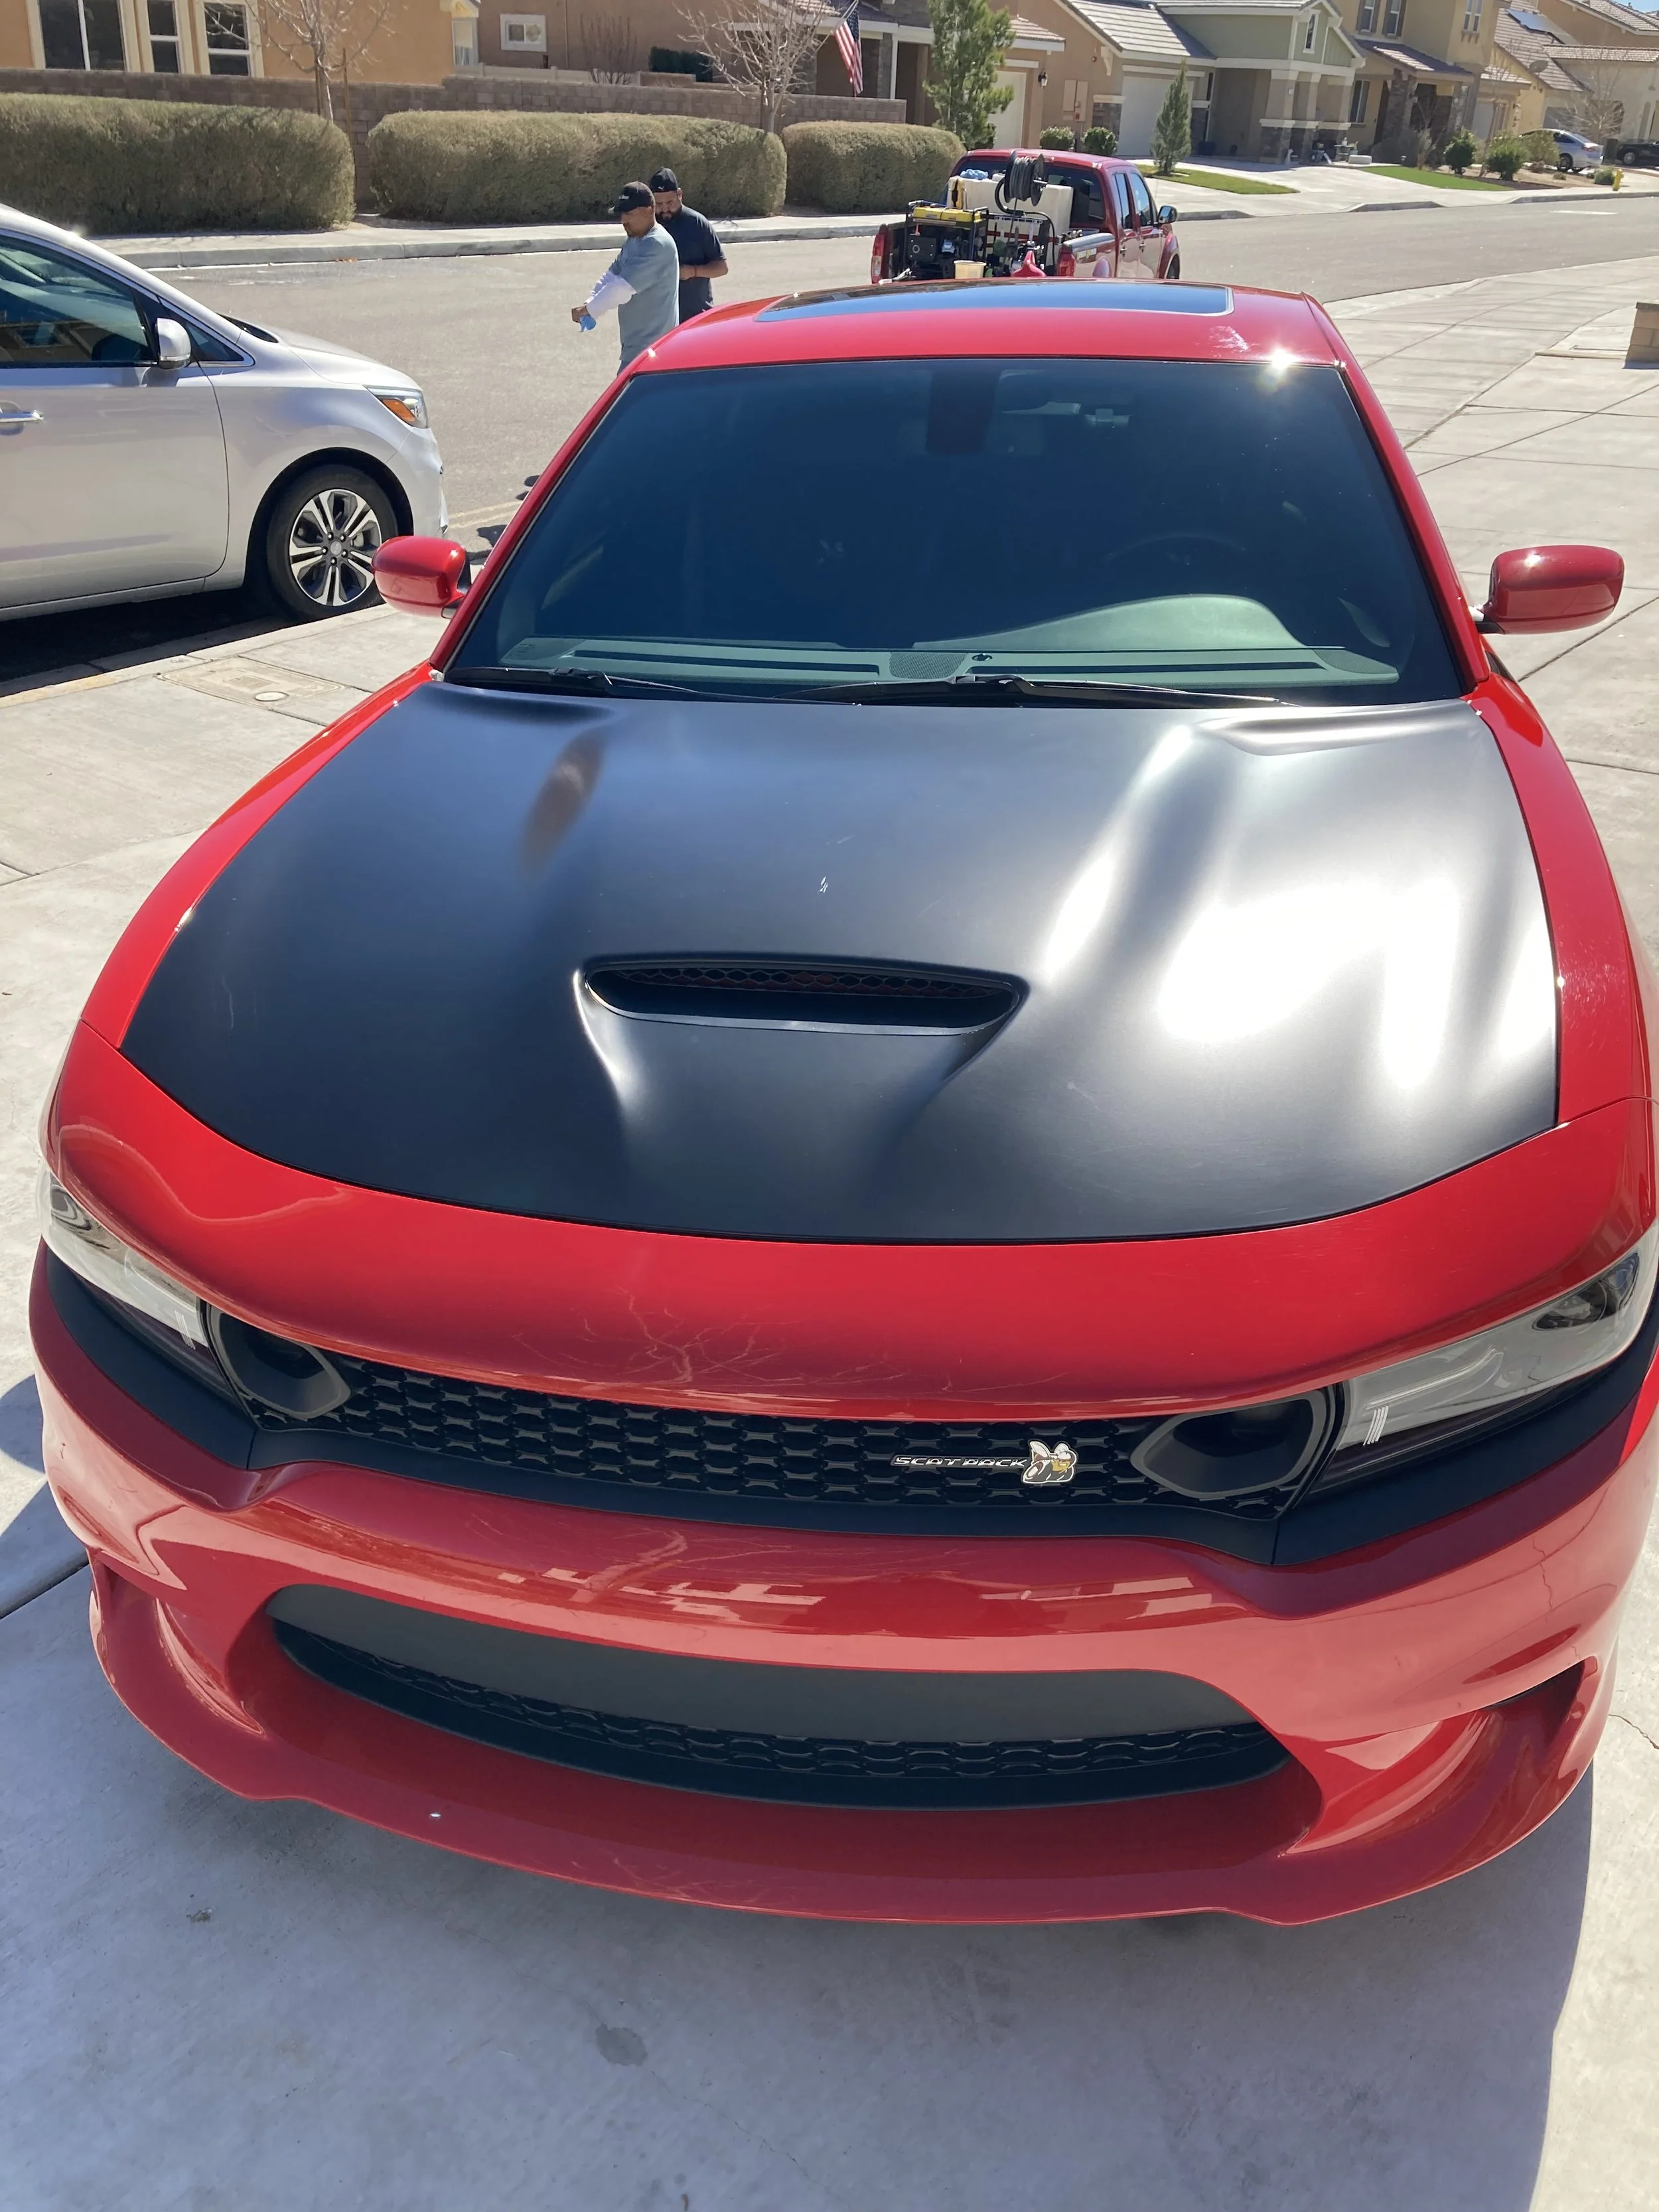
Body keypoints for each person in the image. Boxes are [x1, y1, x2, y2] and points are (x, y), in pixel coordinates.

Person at [570, 183, 680, 370]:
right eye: (622, 214)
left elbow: (622, 288)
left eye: (629, 214)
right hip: (637, 350)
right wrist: (590, 302)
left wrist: (590, 310)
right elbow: (612, 276)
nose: (623, 220)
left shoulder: (658, 244)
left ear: (648, 211)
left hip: (654, 354)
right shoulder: (634, 240)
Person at [648, 167, 729, 322]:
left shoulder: (697, 223)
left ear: (679, 194)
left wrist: (694, 271)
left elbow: (722, 267)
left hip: (695, 317)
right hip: (660, 319)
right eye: (659, 204)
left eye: (670, 202)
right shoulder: (649, 226)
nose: (665, 209)